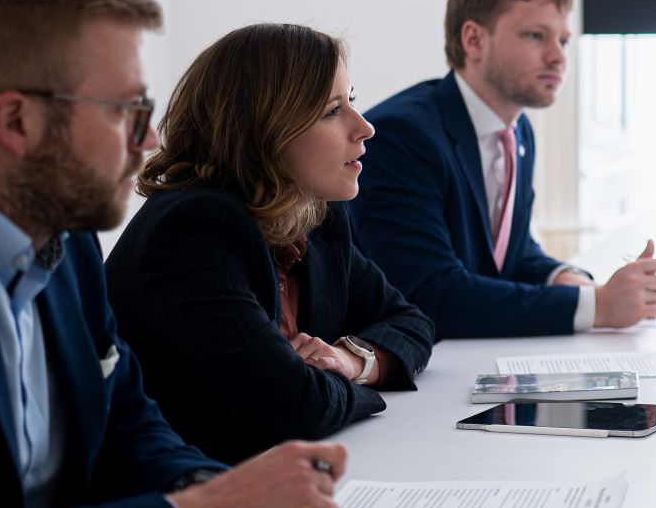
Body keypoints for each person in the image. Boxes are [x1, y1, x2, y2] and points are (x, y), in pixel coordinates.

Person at [0, 0, 371, 508]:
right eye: (127, 108)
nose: (152, 137)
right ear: (17, 121)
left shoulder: (65, 248)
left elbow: (127, 419)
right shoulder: (155, 229)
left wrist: (228, 505)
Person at [106, 25, 434, 465]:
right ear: (265, 130)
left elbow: (410, 321)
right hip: (199, 497)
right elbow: (297, 406)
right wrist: (343, 387)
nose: (366, 127)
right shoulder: (192, 228)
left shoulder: (313, 212)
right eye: (333, 110)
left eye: (350, 101)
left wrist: (350, 360)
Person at [350, 0, 656, 337]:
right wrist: (596, 306)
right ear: (474, 40)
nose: (558, 57)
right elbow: (428, 294)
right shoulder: (404, 136)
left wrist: (568, 279)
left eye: (563, 40)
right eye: (536, 36)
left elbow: (511, 252)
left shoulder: (518, 132)